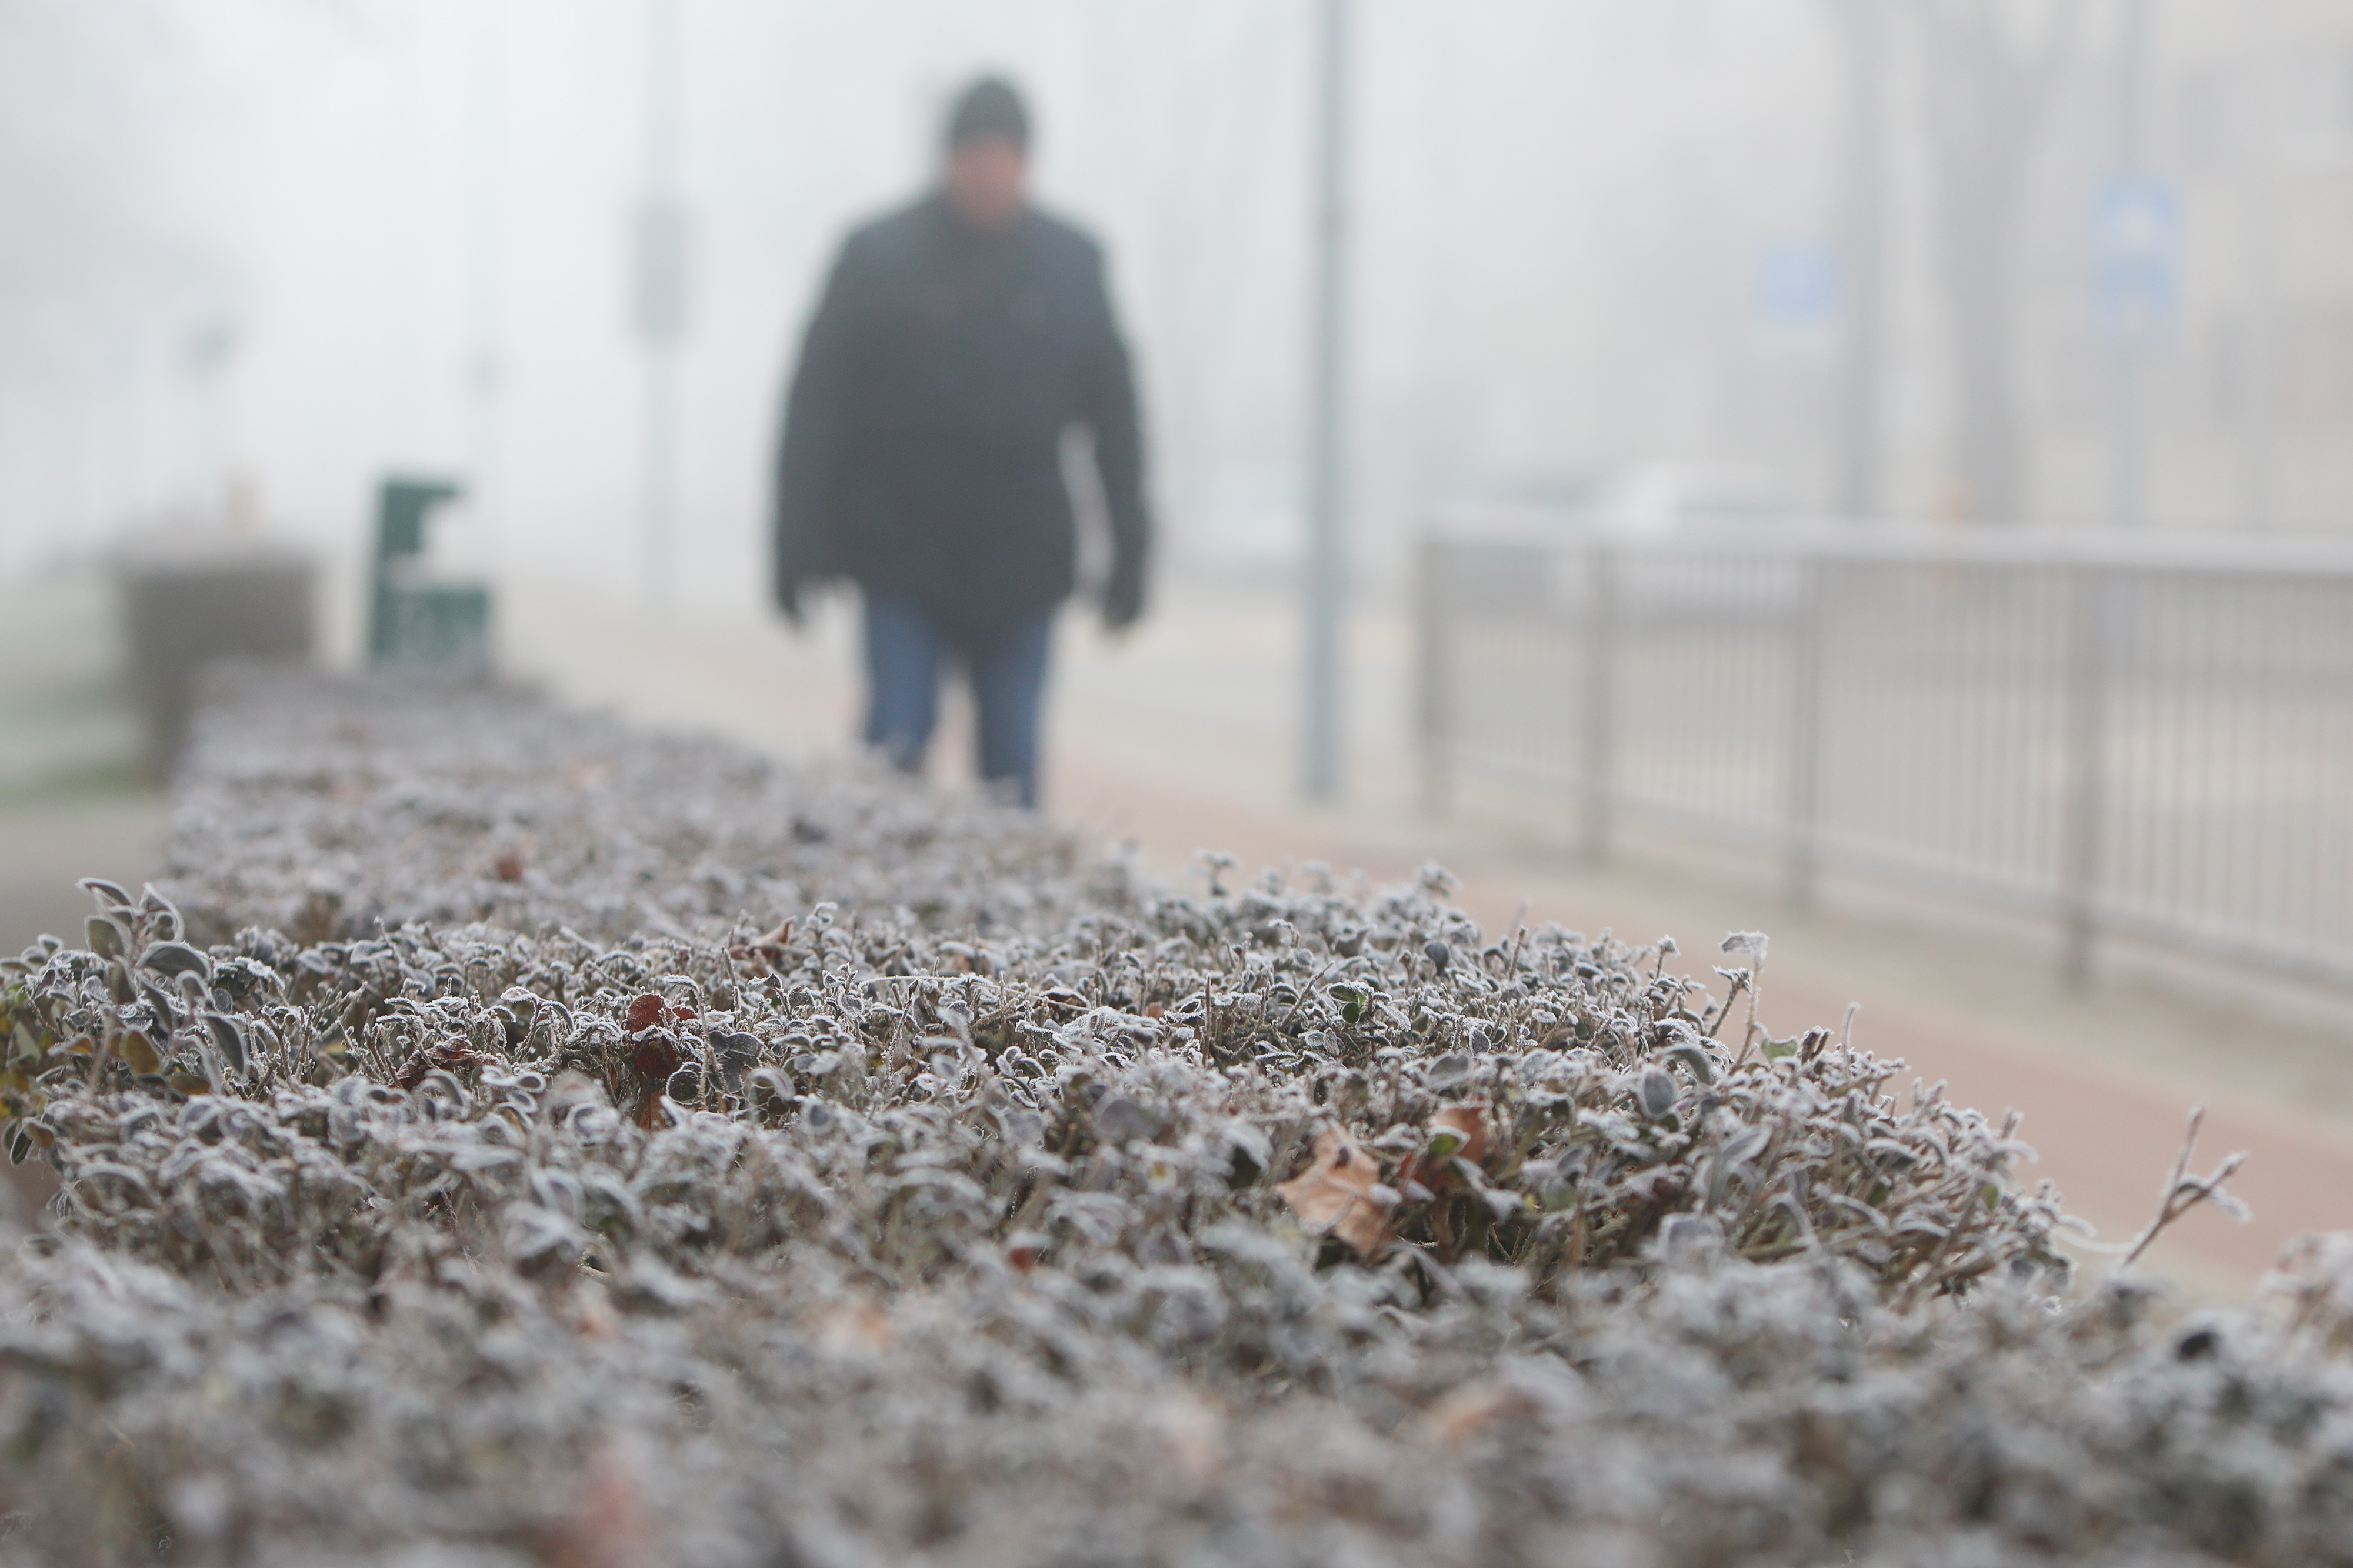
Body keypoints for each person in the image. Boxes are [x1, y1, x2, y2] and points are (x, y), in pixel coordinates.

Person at [771, 75, 1149, 809]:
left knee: (1011, 776)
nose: (989, 168)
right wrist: (794, 539)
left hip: (1021, 565)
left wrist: (1132, 549)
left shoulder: (1073, 263)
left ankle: (1007, 925)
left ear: (1027, 160)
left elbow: (1117, 417)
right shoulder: (876, 254)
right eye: (975, 150)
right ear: (947, 156)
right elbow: (815, 406)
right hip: (901, 555)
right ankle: (874, 916)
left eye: (1005, 151)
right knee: (893, 752)